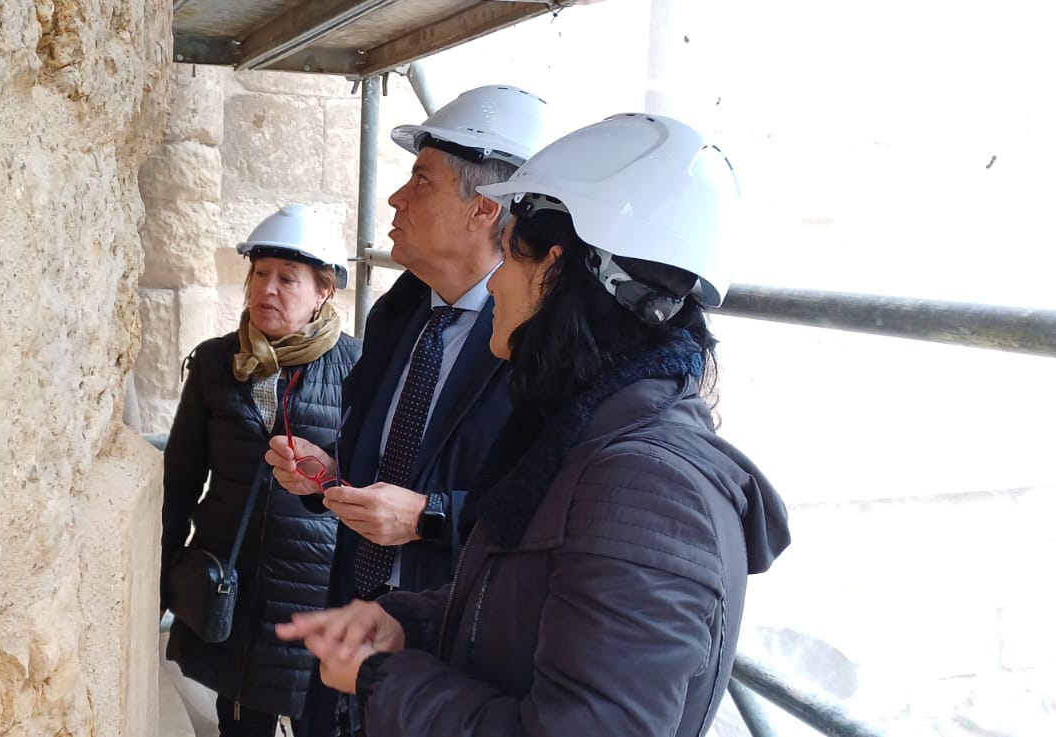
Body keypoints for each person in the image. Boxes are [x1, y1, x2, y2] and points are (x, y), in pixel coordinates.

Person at [278, 113, 793, 737]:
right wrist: (406, 624)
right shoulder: (585, 437)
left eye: (510, 255)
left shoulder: (646, 492)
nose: (494, 284)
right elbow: (521, 605)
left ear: (558, 267)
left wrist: (382, 676)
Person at [263, 85, 552, 736]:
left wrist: (431, 518)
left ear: (483, 208)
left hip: (445, 665)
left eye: (420, 180)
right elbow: (376, 461)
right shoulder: (397, 316)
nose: (394, 198)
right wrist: (327, 477)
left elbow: (538, 512)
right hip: (350, 636)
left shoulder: (535, 350)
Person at [160, 204, 363, 737]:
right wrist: (165, 573)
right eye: (260, 274)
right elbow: (180, 480)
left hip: (314, 597)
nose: (267, 289)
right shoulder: (213, 363)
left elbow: (371, 480)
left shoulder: (359, 370)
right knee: (239, 723)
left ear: (323, 292)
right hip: (233, 587)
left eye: (287, 279)